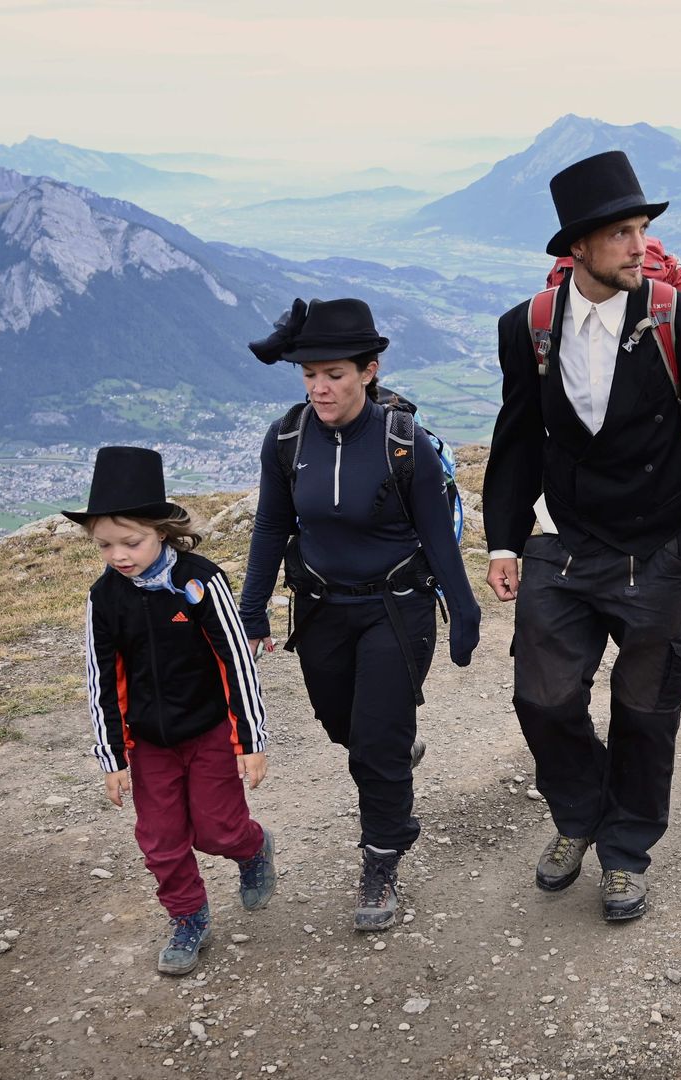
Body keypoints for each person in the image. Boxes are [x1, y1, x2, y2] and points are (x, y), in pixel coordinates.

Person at [484, 151, 681, 922]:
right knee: (541, 699)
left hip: (657, 550)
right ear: (578, 249)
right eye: (623, 233)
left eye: (642, 229)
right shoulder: (528, 329)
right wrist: (504, 540)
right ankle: (580, 814)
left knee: (645, 710)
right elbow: (515, 441)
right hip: (561, 544)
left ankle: (625, 851)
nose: (641, 246)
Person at [237, 297, 480, 933]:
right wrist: (253, 607)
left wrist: (465, 610)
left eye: (335, 374)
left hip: (395, 611)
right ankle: (392, 751)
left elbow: (436, 535)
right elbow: (270, 526)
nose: (320, 388)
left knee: (373, 748)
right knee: (343, 726)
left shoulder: (403, 445)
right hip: (320, 611)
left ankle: (381, 858)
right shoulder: (287, 439)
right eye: (309, 374)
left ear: (368, 371)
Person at [69, 446, 274, 976]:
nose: (119, 555)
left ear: (162, 530)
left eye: (131, 541)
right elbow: (103, 679)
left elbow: (235, 660)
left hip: (207, 733)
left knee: (218, 831)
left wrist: (249, 741)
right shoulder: (104, 598)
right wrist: (112, 756)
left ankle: (252, 848)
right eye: (105, 545)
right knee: (160, 840)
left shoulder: (200, 582)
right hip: (150, 743)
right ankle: (188, 916)